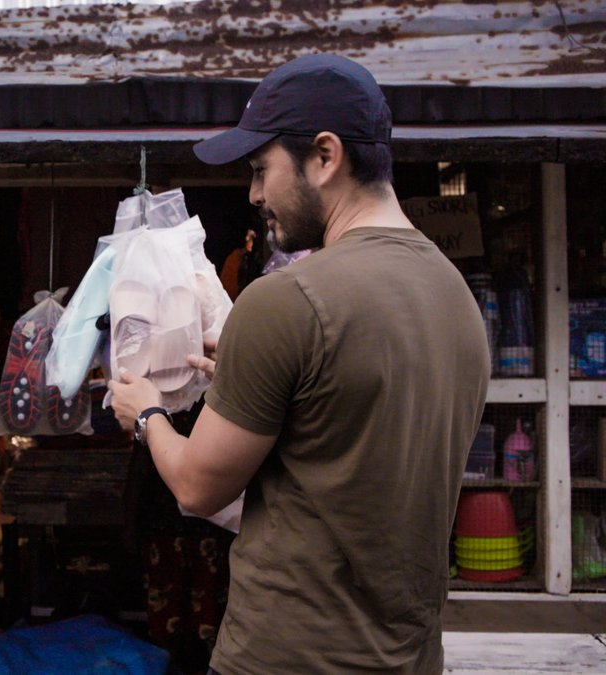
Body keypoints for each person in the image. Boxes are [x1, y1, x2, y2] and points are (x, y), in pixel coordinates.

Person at [109, 55, 490, 674]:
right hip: (410, 658)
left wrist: (147, 412)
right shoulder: (456, 297)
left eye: (262, 169)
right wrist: (247, 382)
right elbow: (350, 430)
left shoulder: (287, 299)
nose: (255, 194)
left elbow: (199, 487)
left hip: (288, 656)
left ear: (325, 156)